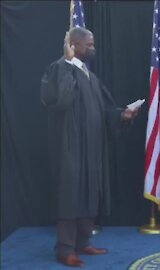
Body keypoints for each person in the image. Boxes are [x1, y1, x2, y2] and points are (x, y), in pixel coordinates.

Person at [40, 27, 140, 267]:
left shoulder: (89, 75)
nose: (93, 48)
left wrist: (121, 115)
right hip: (70, 147)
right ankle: (65, 250)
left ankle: (83, 242)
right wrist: (66, 62)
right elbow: (60, 101)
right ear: (73, 45)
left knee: (89, 191)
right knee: (70, 195)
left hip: (93, 146)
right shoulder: (59, 69)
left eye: (93, 44)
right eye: (89, 45)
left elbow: (104, 110)